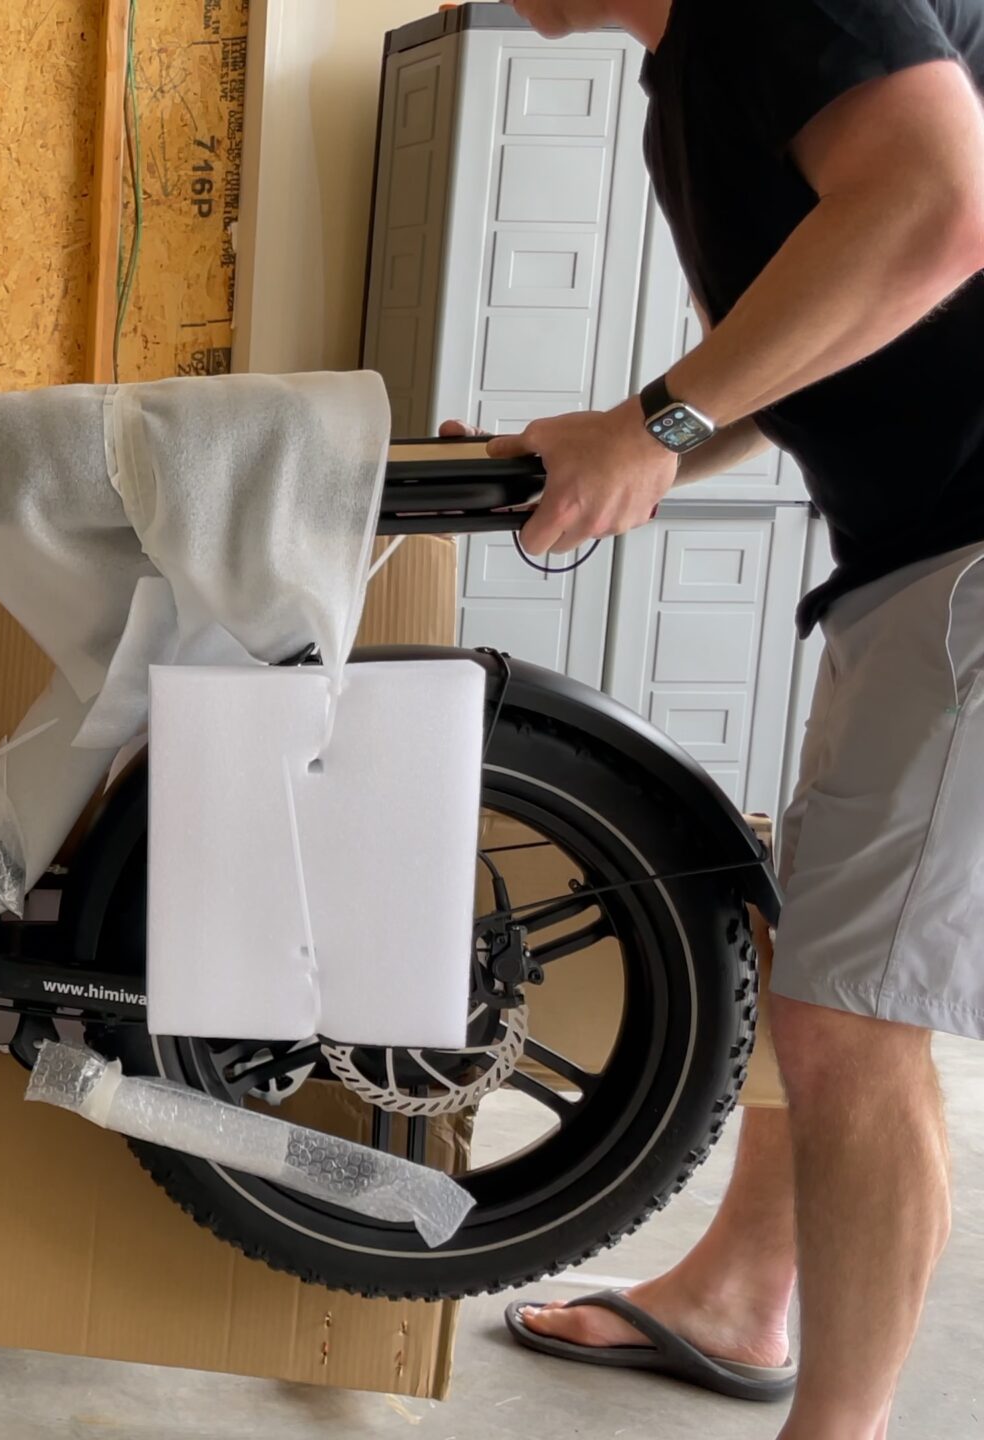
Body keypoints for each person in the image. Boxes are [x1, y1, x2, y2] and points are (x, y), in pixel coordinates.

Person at [455, 3, 984, 1437]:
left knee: (852, 1021)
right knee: (825, 970)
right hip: (912, 561)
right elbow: (790, 359)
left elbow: (937, 207)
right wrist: (607, 451)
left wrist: (652, 431)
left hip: (969, 550)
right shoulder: (684, 86)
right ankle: (743, 1293)